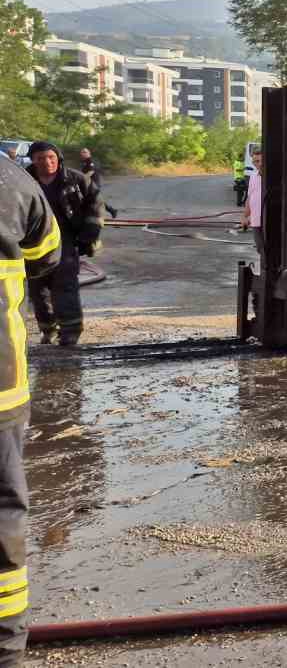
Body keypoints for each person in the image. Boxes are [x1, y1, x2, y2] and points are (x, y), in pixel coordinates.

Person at [0, 154, 61, 665]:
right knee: (3, 516)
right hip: (2, 387)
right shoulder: (10, 179)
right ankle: (6, 648)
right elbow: (47, 255)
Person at [23, 142, 102, 347]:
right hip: (33, 242)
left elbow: (94, 204)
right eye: (40, 158)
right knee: (38, 291)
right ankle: (48, 329)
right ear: (33, 160)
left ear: (58, 158)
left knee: (65, 286)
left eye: (51, 157)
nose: (47, 162)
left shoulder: (75, 179)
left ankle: (70, 332)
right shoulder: (23, 181)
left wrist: (88, 234)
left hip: (66, 240)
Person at [238, 147, 265, 256]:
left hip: (270, 221)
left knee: (271, 251)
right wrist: (245, 216)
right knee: (260, 249)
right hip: (256, 221)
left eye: (260, 161)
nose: (258, 164)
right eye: (255, 161)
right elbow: (250, 197)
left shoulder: (276, 177)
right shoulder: (253, 176)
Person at [78, 149, 115, 218]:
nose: (83, 154)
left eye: (85, 152)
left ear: (89, 153)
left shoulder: (90, 161)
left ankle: (111, 210)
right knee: (90, 199)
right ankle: (110, 210)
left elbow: (90, 172)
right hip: (88, 184)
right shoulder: (84, 162)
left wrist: (81, 179)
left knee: (95, 199)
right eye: (82, 152)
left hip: (94, 184)